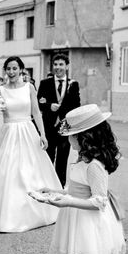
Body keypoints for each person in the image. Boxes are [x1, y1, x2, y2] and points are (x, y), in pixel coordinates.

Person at [35, 104, 125, 254]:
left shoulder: (95, 165)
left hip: (89, 223)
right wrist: (52, 192)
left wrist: (68, 202)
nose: (68, 139)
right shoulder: (79, 159)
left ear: (85, 137)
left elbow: (99, 201)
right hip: (73, 217)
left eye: (72, 135)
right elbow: (71, 188)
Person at [0, 55, 61, 232]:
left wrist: (43, 135)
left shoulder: (29, 88)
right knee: (7, 171)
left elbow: (36, 113)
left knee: (31, 170)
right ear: (5, 71)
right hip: (8, 134)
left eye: (15, 68)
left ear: (21, 70)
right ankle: (5, 215)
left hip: (28, 131)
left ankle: (37, 210)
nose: (12, 72)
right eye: (8, 68)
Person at [37, 53, 81, 185]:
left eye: (61, 64)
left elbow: (76, 105)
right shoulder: (45, 83)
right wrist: (49, 106)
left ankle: (59, 186)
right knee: (48, 157)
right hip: (49, 127)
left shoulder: (73, 84)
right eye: (55, 64)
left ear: (67, 66)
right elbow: (38, 103)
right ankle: (47, 184)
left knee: (62, 159)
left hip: (65, 127)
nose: (58, 67)